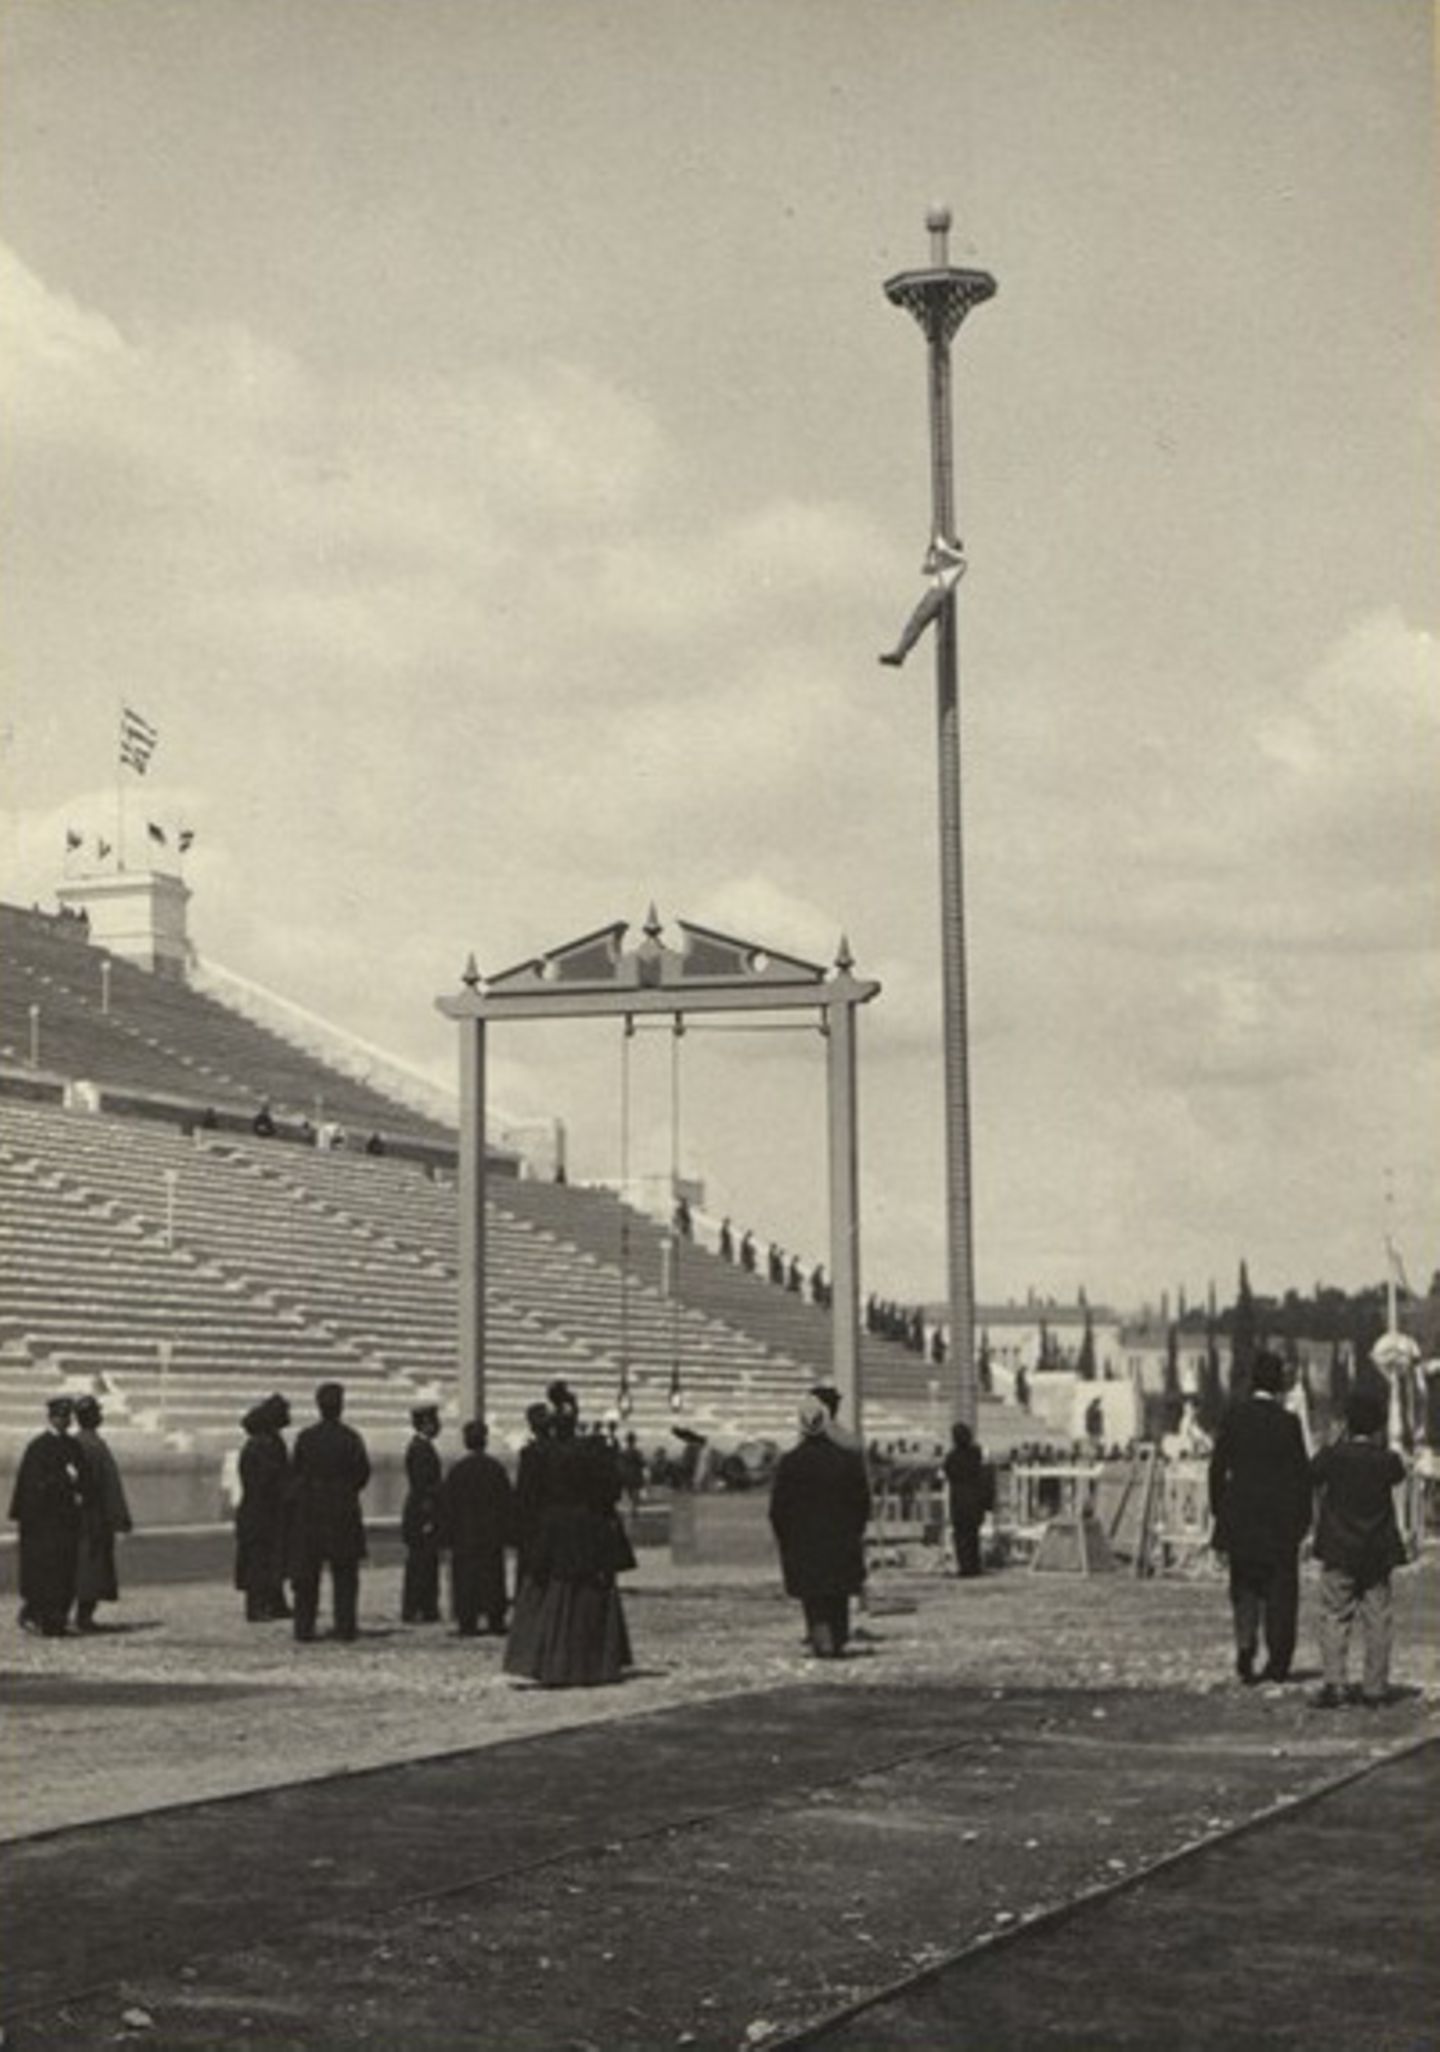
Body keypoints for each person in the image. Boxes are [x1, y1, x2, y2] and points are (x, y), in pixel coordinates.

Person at [506, 1387, 635, 1687]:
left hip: (553, 1530)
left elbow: (527, 1499)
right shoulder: (593, 1452)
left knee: (551, 1591)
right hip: (589, 1530)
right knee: (587, 1595)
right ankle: (592, 1662)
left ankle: (549, 1661)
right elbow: (611, 1490)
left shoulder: (538, 1454)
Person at [1208, 1350, 1312, 1684]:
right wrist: (1303, 1521)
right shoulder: (1288, 1423)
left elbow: (1217, 1470)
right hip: (1280, 1524)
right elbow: (1301, 1476)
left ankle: (1245, 1643)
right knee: (1281, 1591)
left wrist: (1220, 1512)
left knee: (1245, 1586)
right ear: (1279, 1383)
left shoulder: (1234, 1417)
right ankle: (1278, 1661)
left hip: (1241, 1520)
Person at [1310, 1388, 1408, 1709]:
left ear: (1348, 1422)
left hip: (1339, 1547)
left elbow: (1313, 1471)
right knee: (1378, 1618)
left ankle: (1335, 1684)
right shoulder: (1386, 1461)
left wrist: (1337, 1439)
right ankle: (1375, 1688)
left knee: (1335, 1615)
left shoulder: (1334, 1457)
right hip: (1377, 1550)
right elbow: (1399, 1471)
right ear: (1379, 1425)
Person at [769, 1393, 872, 1658]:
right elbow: (862, 1503)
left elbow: (778, 1509)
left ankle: (821, 1635)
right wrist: (855, 1531)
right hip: (840, 1539)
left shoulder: (790, 1463)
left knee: (813, 1596)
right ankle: (837, 1636)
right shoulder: (846, 1459)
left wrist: (787, 1538)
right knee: (837, 1592)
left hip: (804, 1542)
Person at [289, 1382, 370, 1643]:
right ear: (341, 1406)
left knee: (307, 1576)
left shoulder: (306, 1437)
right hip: (343, 1510)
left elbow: (297, 1472)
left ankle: (304, 1627)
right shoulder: (351, 1438)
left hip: (311, 1511)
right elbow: (362, 1473)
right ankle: (345, 1626)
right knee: (345, 1575)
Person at [9, 1397, 87, 1636]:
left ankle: (58, 1619)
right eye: (60, 1416)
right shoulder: (38, 1448)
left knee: (64, 1570)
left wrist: (79, 1489)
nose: (65, 1420)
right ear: (51, 1418)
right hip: (43, 1524)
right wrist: (66, 1480)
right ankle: (40, 1617)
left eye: (67, 1417)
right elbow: (34, 1487)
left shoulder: (74, 1446)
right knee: (44, 1572)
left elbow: (84, 1479)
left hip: (66, 1522)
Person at [440, 1419, 515, 1637]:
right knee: (492, 1576)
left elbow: (448, 1505)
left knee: (465, 1577)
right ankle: (495, 1618)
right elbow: (506, 1502)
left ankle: (467, 1620)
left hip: (465, 1534)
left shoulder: (458, 1471)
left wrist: (447, 1535)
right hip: (491, 1533)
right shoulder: (495, 1469)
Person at [71, 1396, 133, 1630]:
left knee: (76, 1565)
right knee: (92, 1567)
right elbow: (110, 1485)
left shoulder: (75, 1443)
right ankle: (84, 1617)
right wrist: (120, 1518)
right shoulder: (95, 1446)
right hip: (94, 1517)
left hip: (78, 1516)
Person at [235, 1394, 293, 1621]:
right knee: (260, 1559)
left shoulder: (265, 1443)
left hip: (261, 1509)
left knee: (270, 1557)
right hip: (262, 1511)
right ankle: (257, 1607)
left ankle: (274, 1603)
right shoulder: (264, 1445)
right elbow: (271, 1479)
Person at [879, 535, 968, 668]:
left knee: (929, 629)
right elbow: (926, 569)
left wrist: (939, 542)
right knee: (915, 623)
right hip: (933, 593)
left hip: (939, 595)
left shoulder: (961, 562)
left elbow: (944, 549)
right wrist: (931, 554)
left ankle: (900, 653)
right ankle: (900, 653)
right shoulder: (946, 565)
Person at [400, 1403, 444, 1624]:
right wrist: (428, 1516)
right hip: (422, 1513)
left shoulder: (420, 1447)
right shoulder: (420, 1449)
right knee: (422, 1562)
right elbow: (422, 1486)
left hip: (420, 1511)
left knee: (423, 1562)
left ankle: (421, 1606)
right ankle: (420, 1607)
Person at [942, 1421, 993, 1579]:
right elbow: (984, 1475)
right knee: (973, 1535)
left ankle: (965, 1566)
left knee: (961, 1536)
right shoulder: (976, 1454)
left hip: (959, 1500)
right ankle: (974, 1565)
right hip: (975, 1500)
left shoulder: (952, 1457)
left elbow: (948, 1473)